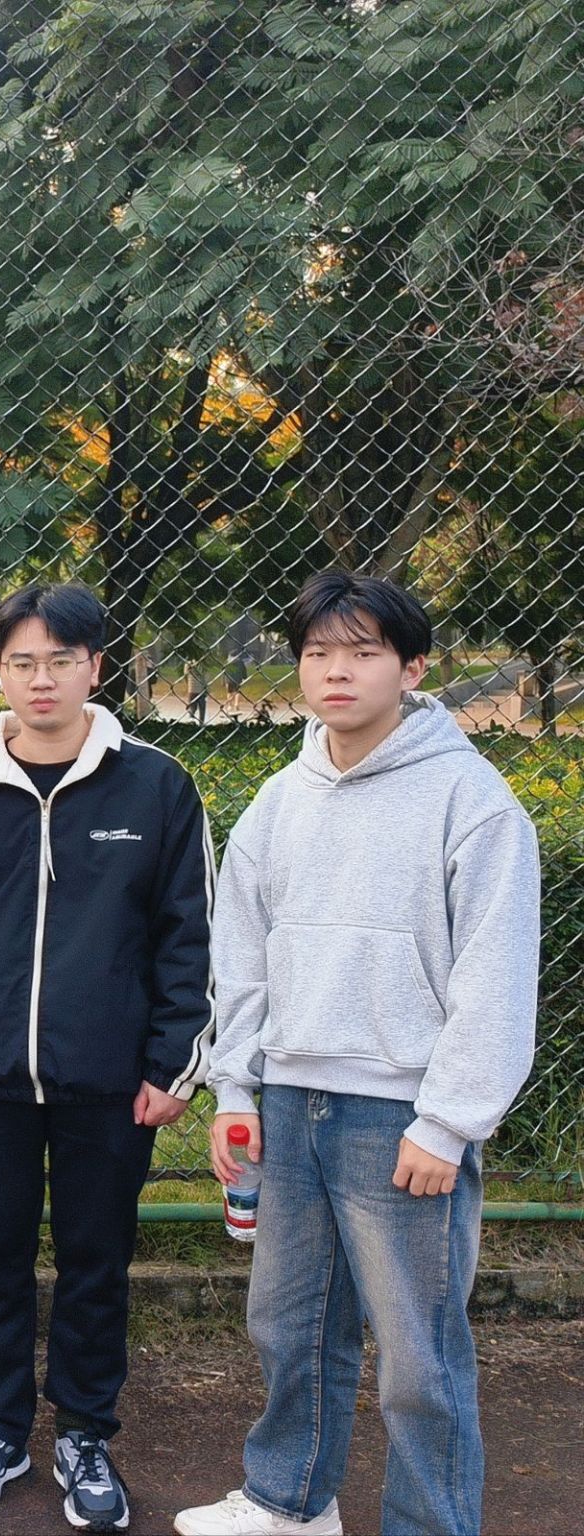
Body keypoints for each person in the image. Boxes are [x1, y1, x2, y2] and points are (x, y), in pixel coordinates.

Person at [174, 574, 540, 1536]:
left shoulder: (471, 800)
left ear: (413, 668)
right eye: (317, 653)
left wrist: (449, 1122)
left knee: (419, 1356)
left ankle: (432, 1522)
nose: (336, 671)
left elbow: (496, 973)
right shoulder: (280, 800)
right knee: (288, 1327)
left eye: (364, 652)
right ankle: (289, 1502)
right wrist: (236, 1088)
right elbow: (241, 954)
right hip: (290, 1101)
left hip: (402, 1118)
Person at [0, 582, 215, 1531]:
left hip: (108, 1081)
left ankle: (84, 1434)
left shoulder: (156, 785)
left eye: (61, 661)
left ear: (95, 668)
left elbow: (189, 937)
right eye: (23, 662)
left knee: (94, 1264)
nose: (42, 680)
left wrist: (172, 1062)